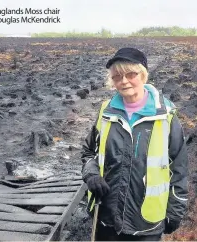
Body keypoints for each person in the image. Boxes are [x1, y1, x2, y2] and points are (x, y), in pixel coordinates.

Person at [81, 47, 189, 241]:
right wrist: (91, 174)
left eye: (130, 74)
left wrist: (175, 211)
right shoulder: (106, 112)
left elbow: (179, 169)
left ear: (143, 75)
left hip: (146, 223)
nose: (123, 81)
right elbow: (89, 151)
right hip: (106, 217)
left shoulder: (166, 117)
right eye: (117, 76)